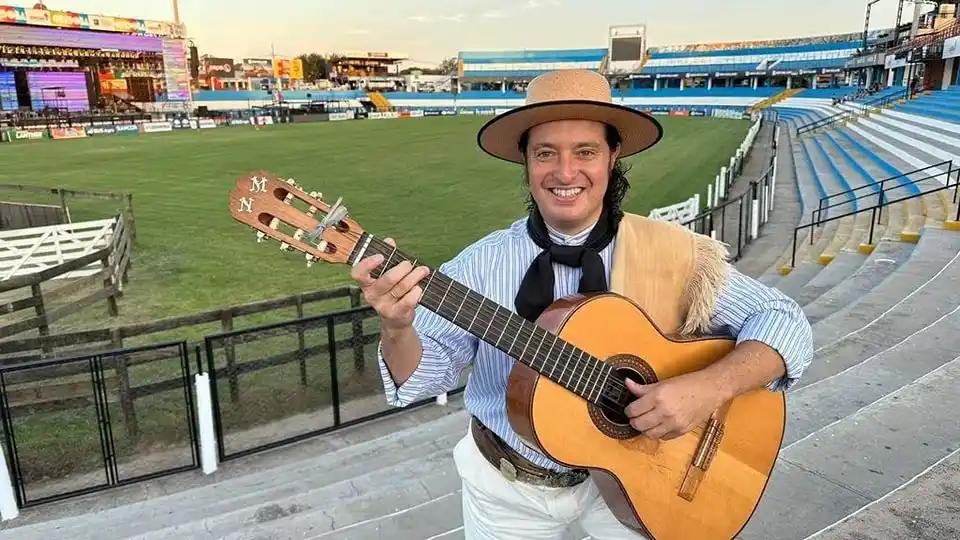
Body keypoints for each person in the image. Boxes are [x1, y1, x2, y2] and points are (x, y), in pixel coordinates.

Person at [350, 69, 814, 540]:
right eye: (545, 153)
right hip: (510, 489)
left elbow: (786, 322)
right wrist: (396, 327)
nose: (565, 173)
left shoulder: (671, 253)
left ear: (614, 157)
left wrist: (708, 389)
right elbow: (427, 375)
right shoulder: (477, 265)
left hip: (639, 476)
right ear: (526, 163)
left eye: (585, 152)